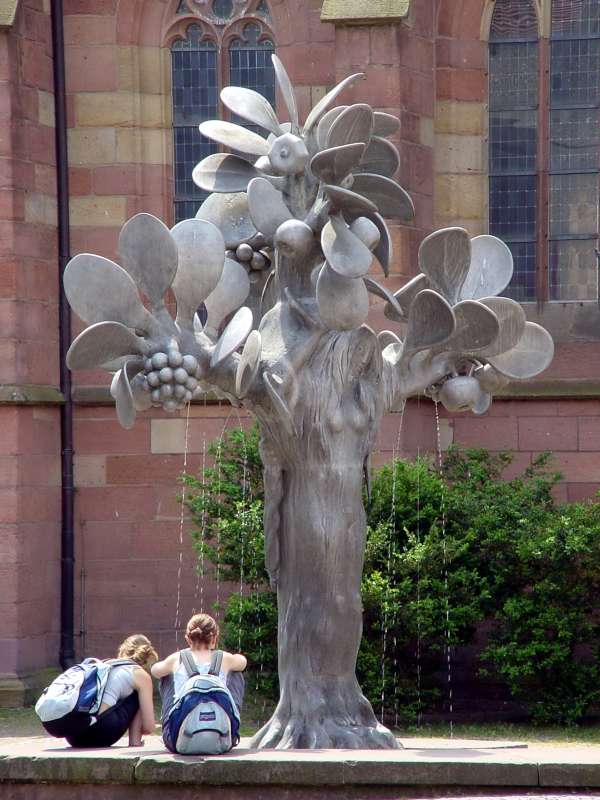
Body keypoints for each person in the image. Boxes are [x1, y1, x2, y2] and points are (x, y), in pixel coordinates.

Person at [152, 613, 247, 730]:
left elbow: (155, 671)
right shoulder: (224, 658)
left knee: (166, 675)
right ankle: (232, 727)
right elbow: (243, 663)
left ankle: (169, 726)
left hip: (179, 740)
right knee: (236, 673)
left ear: (188, 639)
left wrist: (170, 667)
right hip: (221, 736)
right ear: (214, 638)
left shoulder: (177, 658)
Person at [66, 634, 158, 748]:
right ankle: (135, 742)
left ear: (122, 650)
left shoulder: (105, 665)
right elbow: (149, 727)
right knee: (139, 695)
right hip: (101, 733)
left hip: (72, 735)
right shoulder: (141, 675)